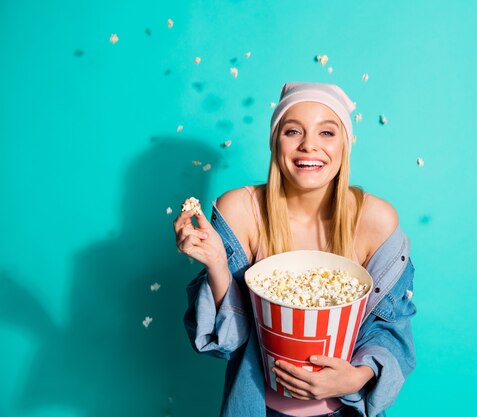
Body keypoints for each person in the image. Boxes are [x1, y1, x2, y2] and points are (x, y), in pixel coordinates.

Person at [173, 82, 416, 417]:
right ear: (275, 141)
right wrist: (216, 263)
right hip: (257, 404)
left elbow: (392, 326)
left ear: (345, 144)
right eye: (293, 131)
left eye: (327, 133)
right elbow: (226, 342)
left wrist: (354, 378)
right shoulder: (241, 211)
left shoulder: (375, 220)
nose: (309, 146)